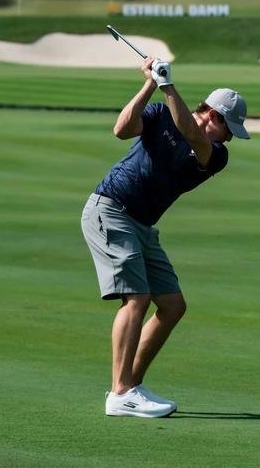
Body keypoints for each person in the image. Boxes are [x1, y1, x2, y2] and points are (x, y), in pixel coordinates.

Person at [80, 55, 249, 418]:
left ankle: (130, 386)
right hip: (111, 208)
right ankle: (120, 393)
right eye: (229, 127)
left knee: (172, 305)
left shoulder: (215, 155)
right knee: (137, 299)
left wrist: (168, 84)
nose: (230, 136)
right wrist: (150, 84)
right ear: (215, 117)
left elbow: (190, 132)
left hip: (141, 224)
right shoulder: (159, 114)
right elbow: (121, 129)